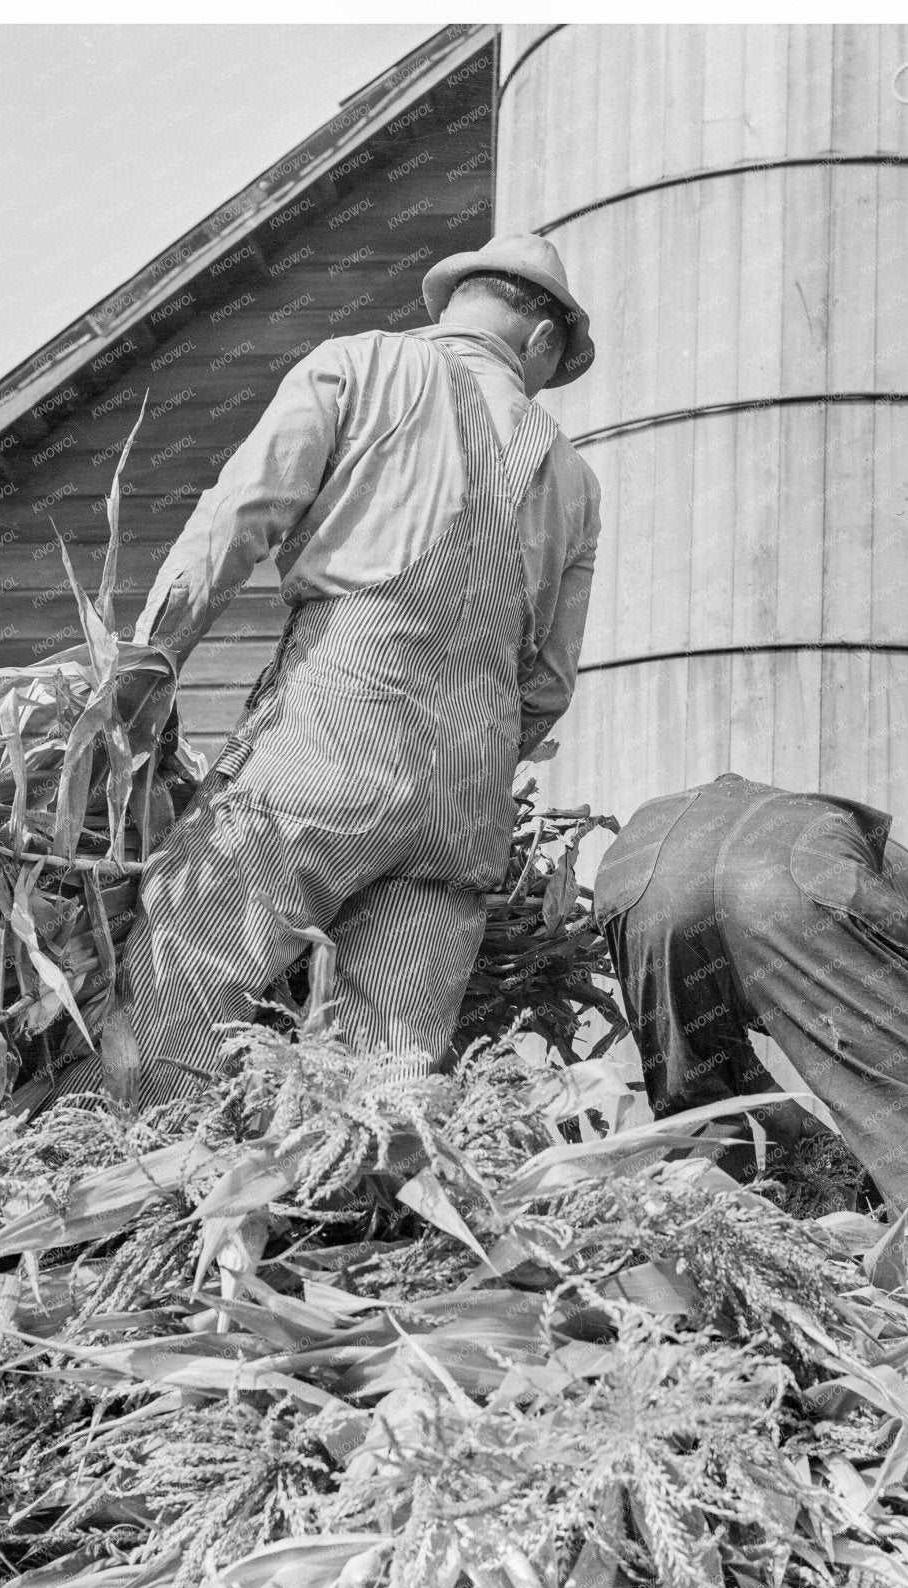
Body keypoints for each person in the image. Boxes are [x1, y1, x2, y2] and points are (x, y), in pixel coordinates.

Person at [99, 233, 602, 1108]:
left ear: (453, 306)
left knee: (181, 999)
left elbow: (236, 519)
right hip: (465, 795)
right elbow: (550, 681)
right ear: (542, 345)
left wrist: (150, 665)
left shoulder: (357, 366)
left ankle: (120, 1185)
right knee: (383, 1089)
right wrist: (473, 755)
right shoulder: (575, 475)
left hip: (331, 736)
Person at [591, 772, 908, 1283]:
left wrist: (823, 1153)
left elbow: (734, 1085)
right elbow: (907, 1083)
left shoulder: (748, 828)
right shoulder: (849, 870)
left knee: (697, 1115)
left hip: (641, 869)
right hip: (784, 874)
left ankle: (704, 1285)